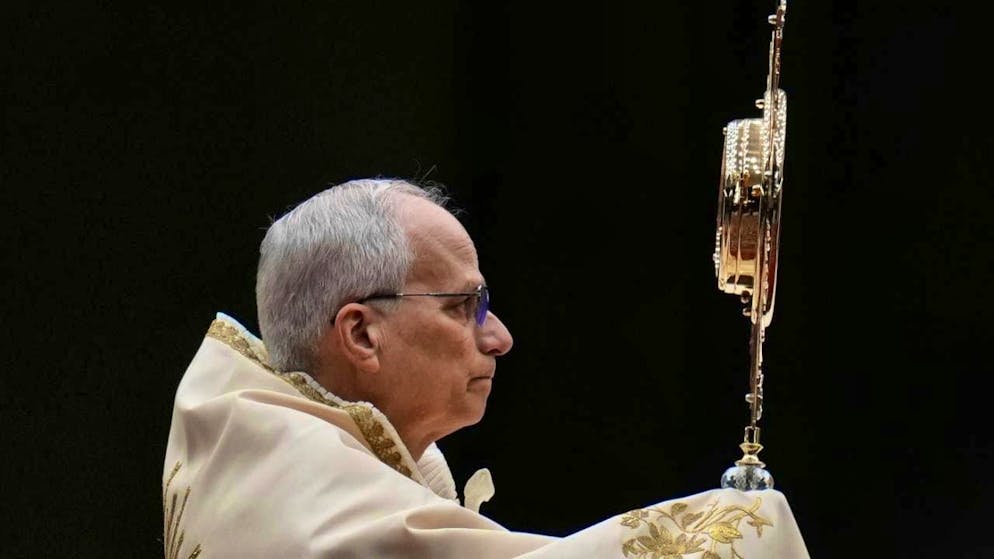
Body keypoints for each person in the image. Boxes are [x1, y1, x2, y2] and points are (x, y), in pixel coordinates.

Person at [162, 178, 810, 558]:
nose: (497, 337)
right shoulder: (299, 491)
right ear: (361, 332)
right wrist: (739, 534)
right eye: (463, 306)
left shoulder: (276, 459)